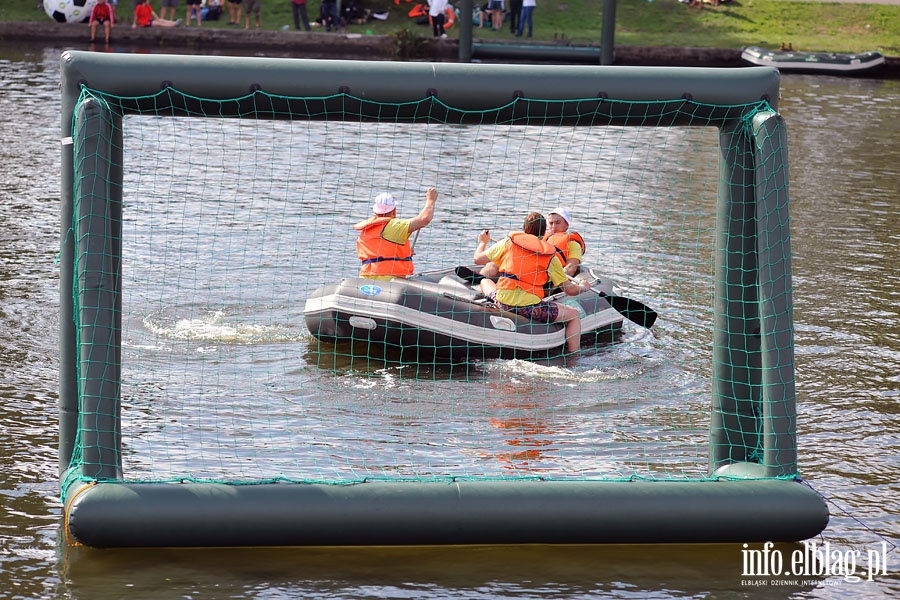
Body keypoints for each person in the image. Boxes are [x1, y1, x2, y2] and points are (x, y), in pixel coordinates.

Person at [473, 212, 592, 355]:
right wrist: (583, 287)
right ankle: (574, 356)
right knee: (573, 315)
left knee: (485, 281)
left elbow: (477, 259)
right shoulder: (549, 256)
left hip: (502, 301)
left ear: (524, 228)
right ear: (544, 232)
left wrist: (482, 241)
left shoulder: (508, 242)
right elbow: (570, 290)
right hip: (529, 308)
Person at [354, 188, 438, 280]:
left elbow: (381, 249)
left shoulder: (368, 228)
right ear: (394, 210)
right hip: (388, 279)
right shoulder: (393, 226)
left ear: (375, 211)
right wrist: (431, 200)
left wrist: (403, 253)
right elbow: (424, 219)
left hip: (366, 277)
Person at [543, 207, 585, 277]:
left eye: (557, 223)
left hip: (557, 280)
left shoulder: (573, 244)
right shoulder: (544, 240)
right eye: (551, 223)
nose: (553, 226)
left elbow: (571, 267)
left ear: (566, 225)